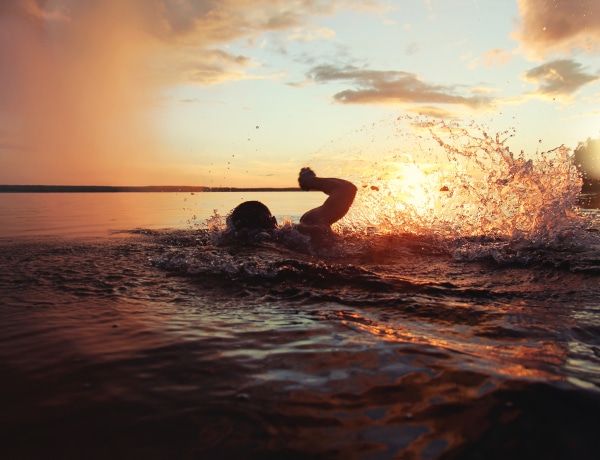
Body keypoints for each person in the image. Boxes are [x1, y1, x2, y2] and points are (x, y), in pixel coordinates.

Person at [227, 167, 357, 242]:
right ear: (273, 220)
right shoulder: (302, 229)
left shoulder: (231, 245)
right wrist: (309, 181)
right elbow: (346, 189)